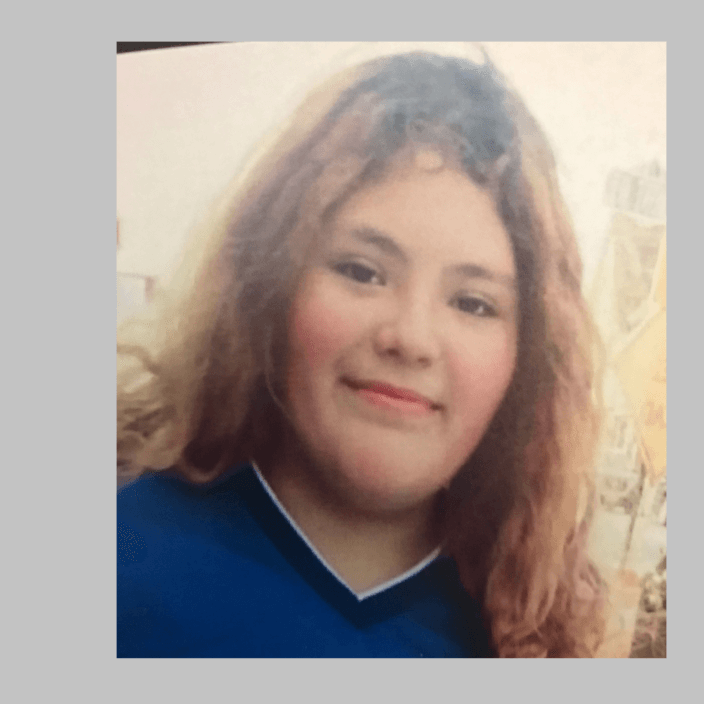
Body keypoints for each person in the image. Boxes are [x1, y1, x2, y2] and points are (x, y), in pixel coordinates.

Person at [117, 49, 608, 657]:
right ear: (270, 286)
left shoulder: (524, 639)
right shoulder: (123, 550)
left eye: (474, 303)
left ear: (527, 363)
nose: (411, 338)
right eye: (362, 271)